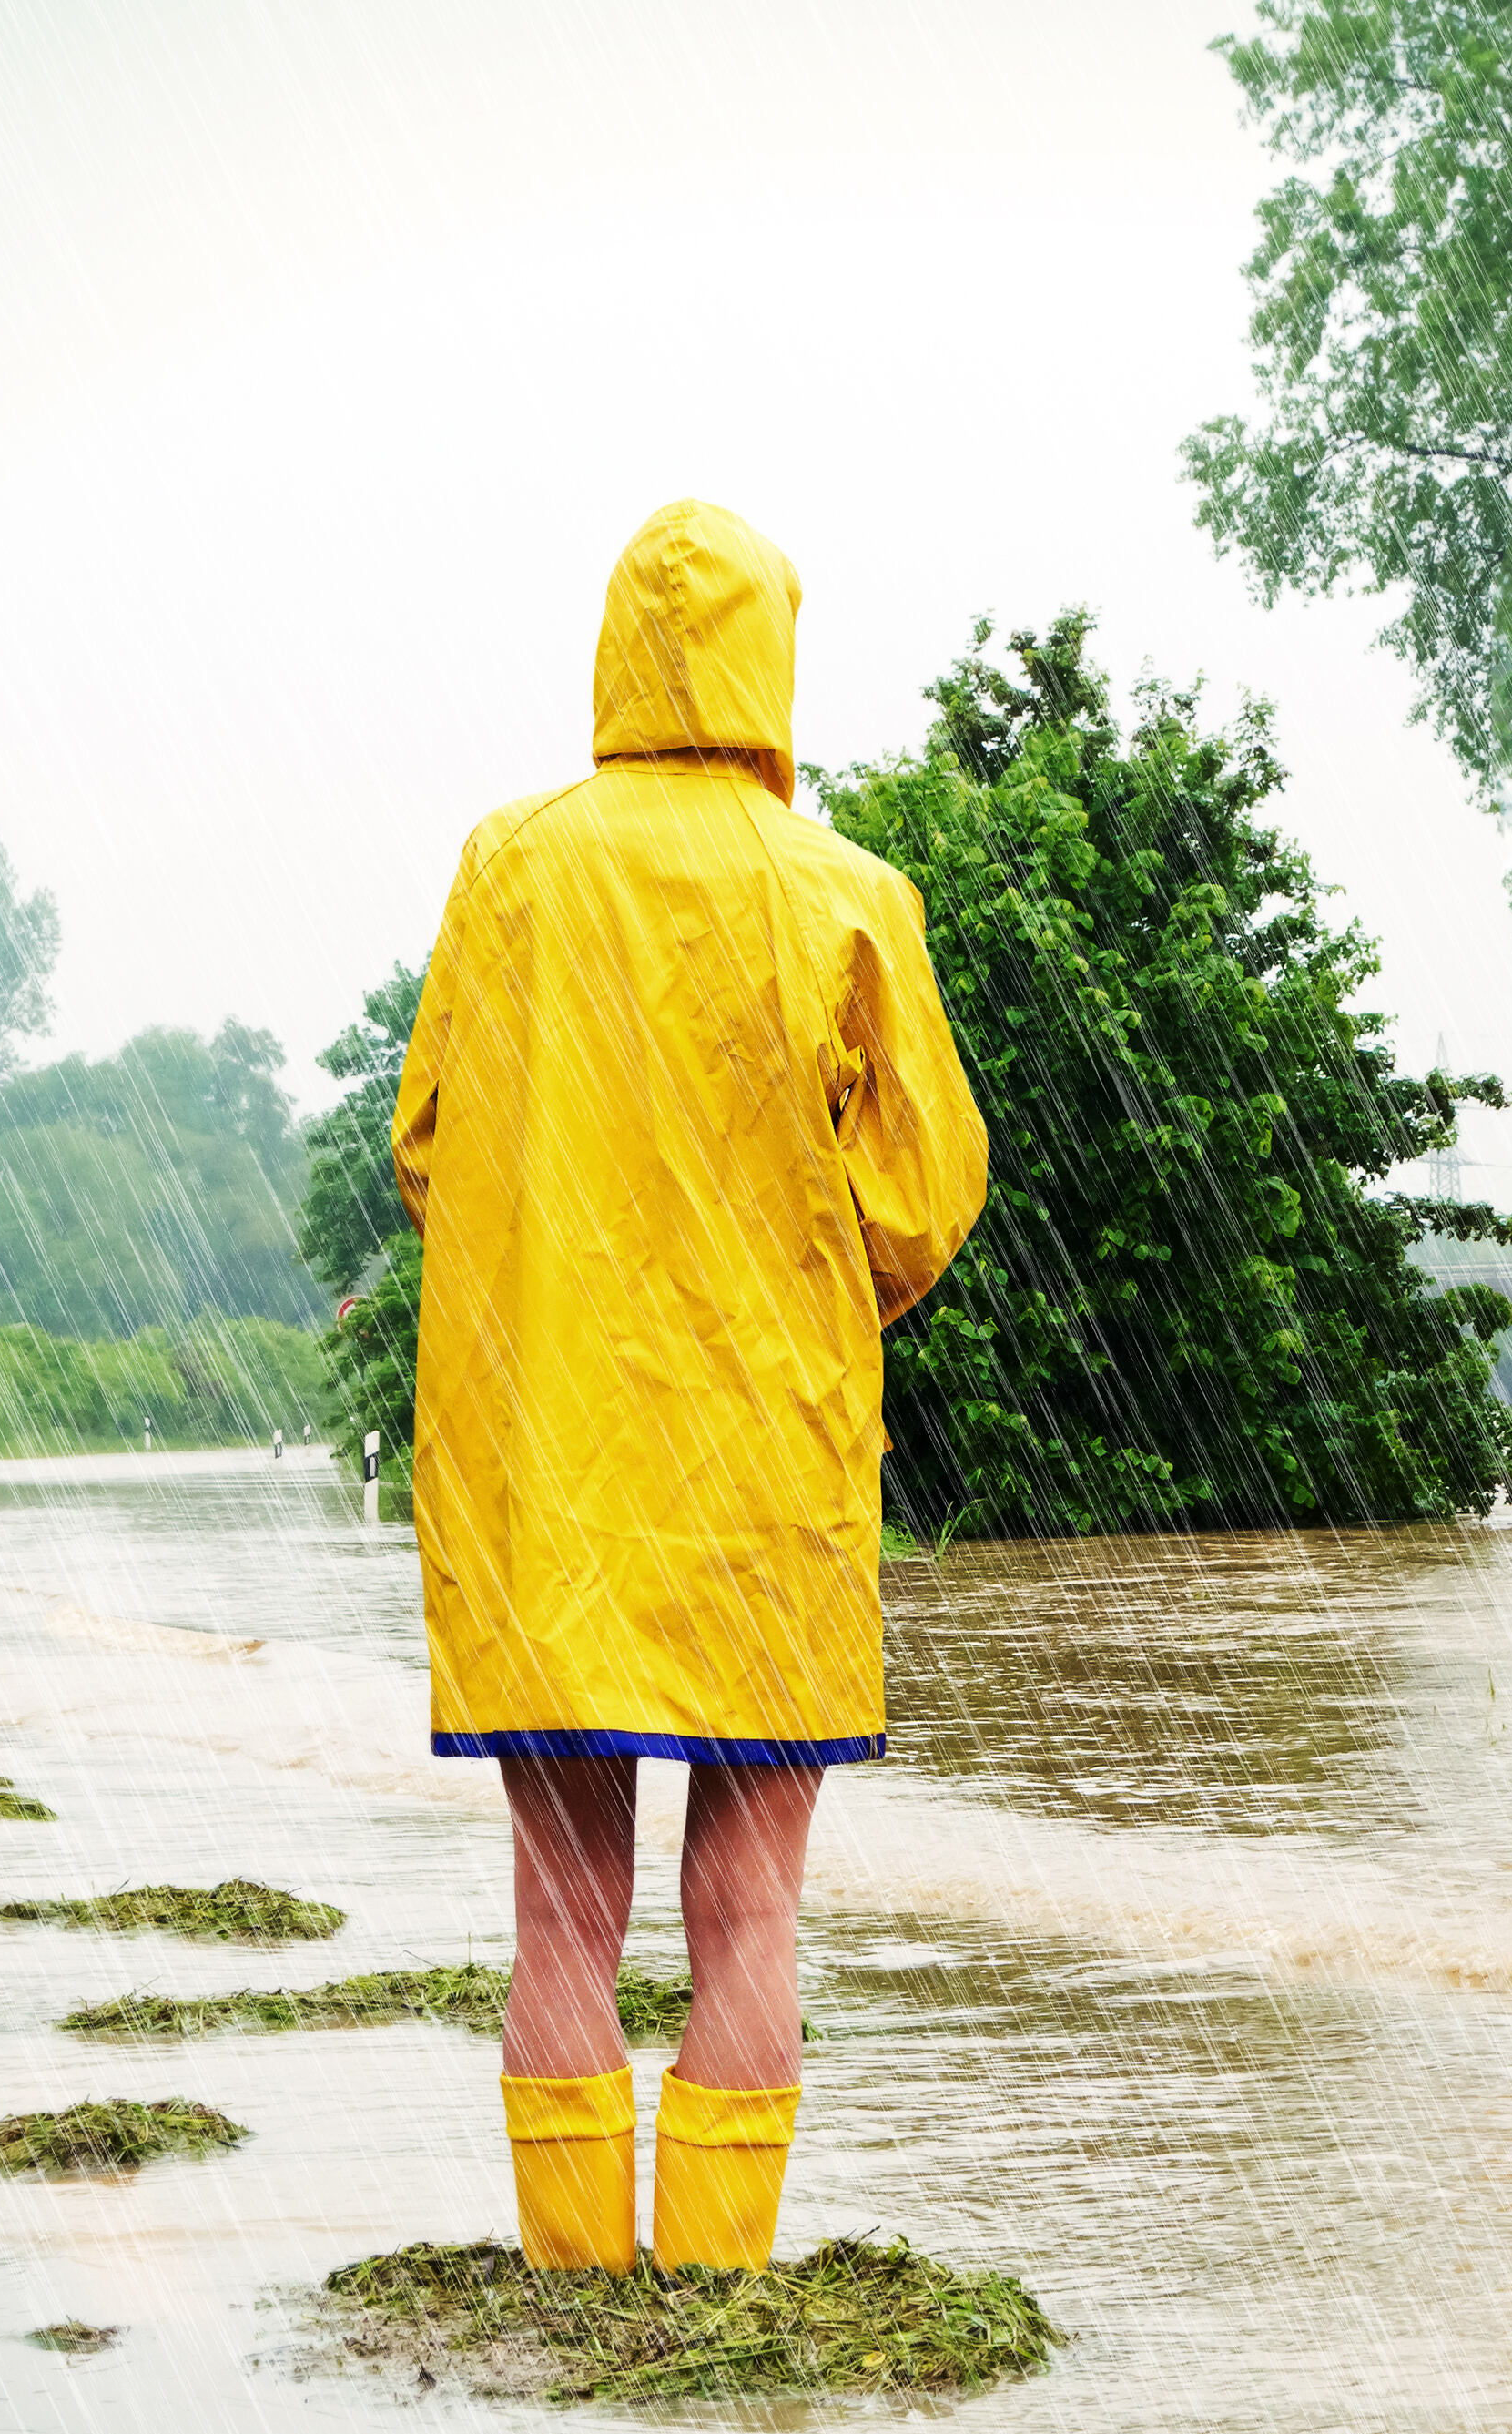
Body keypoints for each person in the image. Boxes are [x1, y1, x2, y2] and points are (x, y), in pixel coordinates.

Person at [391, 499, 985, 2274]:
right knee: (750, 1912)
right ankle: (721, 2293)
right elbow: (924, 1194)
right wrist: (795, 1278)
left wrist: (554, 1253)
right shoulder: (848, 896)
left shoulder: (510, 867)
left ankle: (577, 2307)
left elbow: (425, 1147)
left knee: (561, 1912)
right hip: (765, 1476)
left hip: (548, 1470)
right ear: (771, 667)